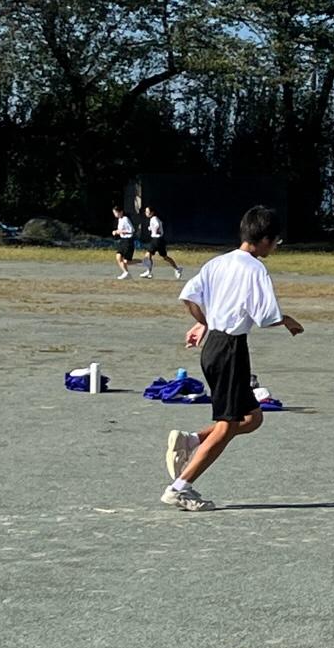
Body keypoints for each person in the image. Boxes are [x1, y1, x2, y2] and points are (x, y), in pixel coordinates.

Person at [160, 205, 305, 512]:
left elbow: (188, 295)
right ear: (265, 239)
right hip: (230, 350)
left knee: (252, 419)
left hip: (215, 346)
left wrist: (205, 322)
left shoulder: (218, 263)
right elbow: (266, 315)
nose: (276, 247)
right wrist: (288, 320)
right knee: (227, 426)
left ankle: (193, 441)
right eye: (276, 241)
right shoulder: (255, 269)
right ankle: (179, 488)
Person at [141, 204, 183, 281]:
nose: (146, 213)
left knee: (148, 255)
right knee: (164, 257)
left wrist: (156, 230)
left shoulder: (154, 218)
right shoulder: (155, 218)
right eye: (145, 212)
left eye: (147, 212)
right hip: (159, 240)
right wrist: (151, 228)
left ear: (152, 212)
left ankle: (148, 272)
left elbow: (157, 225)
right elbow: (160, 224)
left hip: (156, 239)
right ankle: (177, 269)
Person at [110, 205, 136, 280]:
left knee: (126, 261)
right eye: (114, 213)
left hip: (128, 241)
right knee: (118, 257)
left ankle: (143, 262)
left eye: (116, 213)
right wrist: (116, 232)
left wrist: (119, 232)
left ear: (121, 212)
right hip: (123, 240)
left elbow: (131, 230)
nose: (115, 214)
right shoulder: (120, 220)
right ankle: (126, 273)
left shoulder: (125, 219)